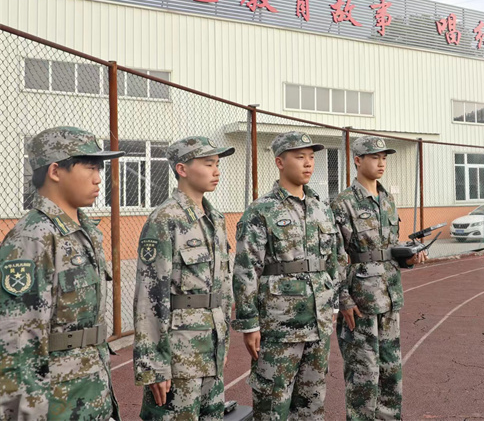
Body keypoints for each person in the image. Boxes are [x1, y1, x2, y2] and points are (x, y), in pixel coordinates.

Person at [0, 126, 123, 420]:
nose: (98, 178)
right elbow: (17, 344)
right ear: (55, 171)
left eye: (99, 169)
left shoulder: (84, 231)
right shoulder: (33, 238)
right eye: (90, 167)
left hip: (92, 391)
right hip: (56, 403)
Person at [233, 131, 346, 420]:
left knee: (312, 404)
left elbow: (334, 260)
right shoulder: (262, 210)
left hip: (318, 323)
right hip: (279, 326)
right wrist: (249, 324)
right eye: (300, 157)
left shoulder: (321, 209)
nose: (308, 163)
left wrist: (332, 304)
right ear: (280, 162)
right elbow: (246, 269)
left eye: (311, 157)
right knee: (273, 404)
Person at [133, 136, 235, 420]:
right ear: (182, 169)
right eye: (208, 163)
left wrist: (223, 342)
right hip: (179, 357)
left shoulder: (216, 219)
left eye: (217, 164)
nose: (216, 170)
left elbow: (222, 289)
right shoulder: (165, 220)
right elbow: (149, 297)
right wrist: (154, 364)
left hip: (211, 350)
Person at [331, 135, 426, 420]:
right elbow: (335, 256)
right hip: (360, 302)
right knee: (363, 376)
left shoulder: (387, 200)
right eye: (375, 157)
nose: (381, 163)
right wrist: (343, 299)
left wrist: (408, 258)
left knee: (391, 372)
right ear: (357, 160)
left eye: (384, 158)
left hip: (390, 297)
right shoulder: (343, 203)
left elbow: (390, 249)